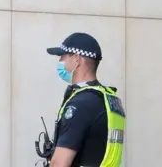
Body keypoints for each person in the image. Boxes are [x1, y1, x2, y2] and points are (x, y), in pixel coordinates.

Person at [45, 32, 125, 167]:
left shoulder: (81, 104)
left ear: (76, 59)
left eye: (63, 57)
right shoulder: (110, 100)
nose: (60, 62)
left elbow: (59, 164)